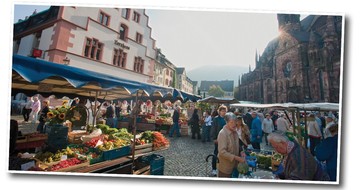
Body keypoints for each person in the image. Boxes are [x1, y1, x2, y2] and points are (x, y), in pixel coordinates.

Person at [217, 112, 246, 178]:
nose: (234, 124)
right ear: (227, 122)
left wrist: (241, 151)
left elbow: (237, 144)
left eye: (235, 122)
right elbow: (222, 152)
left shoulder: (234, 132)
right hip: (225, 167)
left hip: (234, 166)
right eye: (231, 122)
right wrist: (236, 158)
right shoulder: (223, 134)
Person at [210, 105, 227, 176]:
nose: (224, 112)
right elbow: (213, 129)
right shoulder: (216, 119)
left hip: (226, 139)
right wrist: (214, 138)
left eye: (225, 111)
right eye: (222, 111)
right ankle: (214, 169)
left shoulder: (227, 119)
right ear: (219, 111)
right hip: (218, 139)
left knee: (225, 153)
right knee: (216, 153)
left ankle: (223, 168)